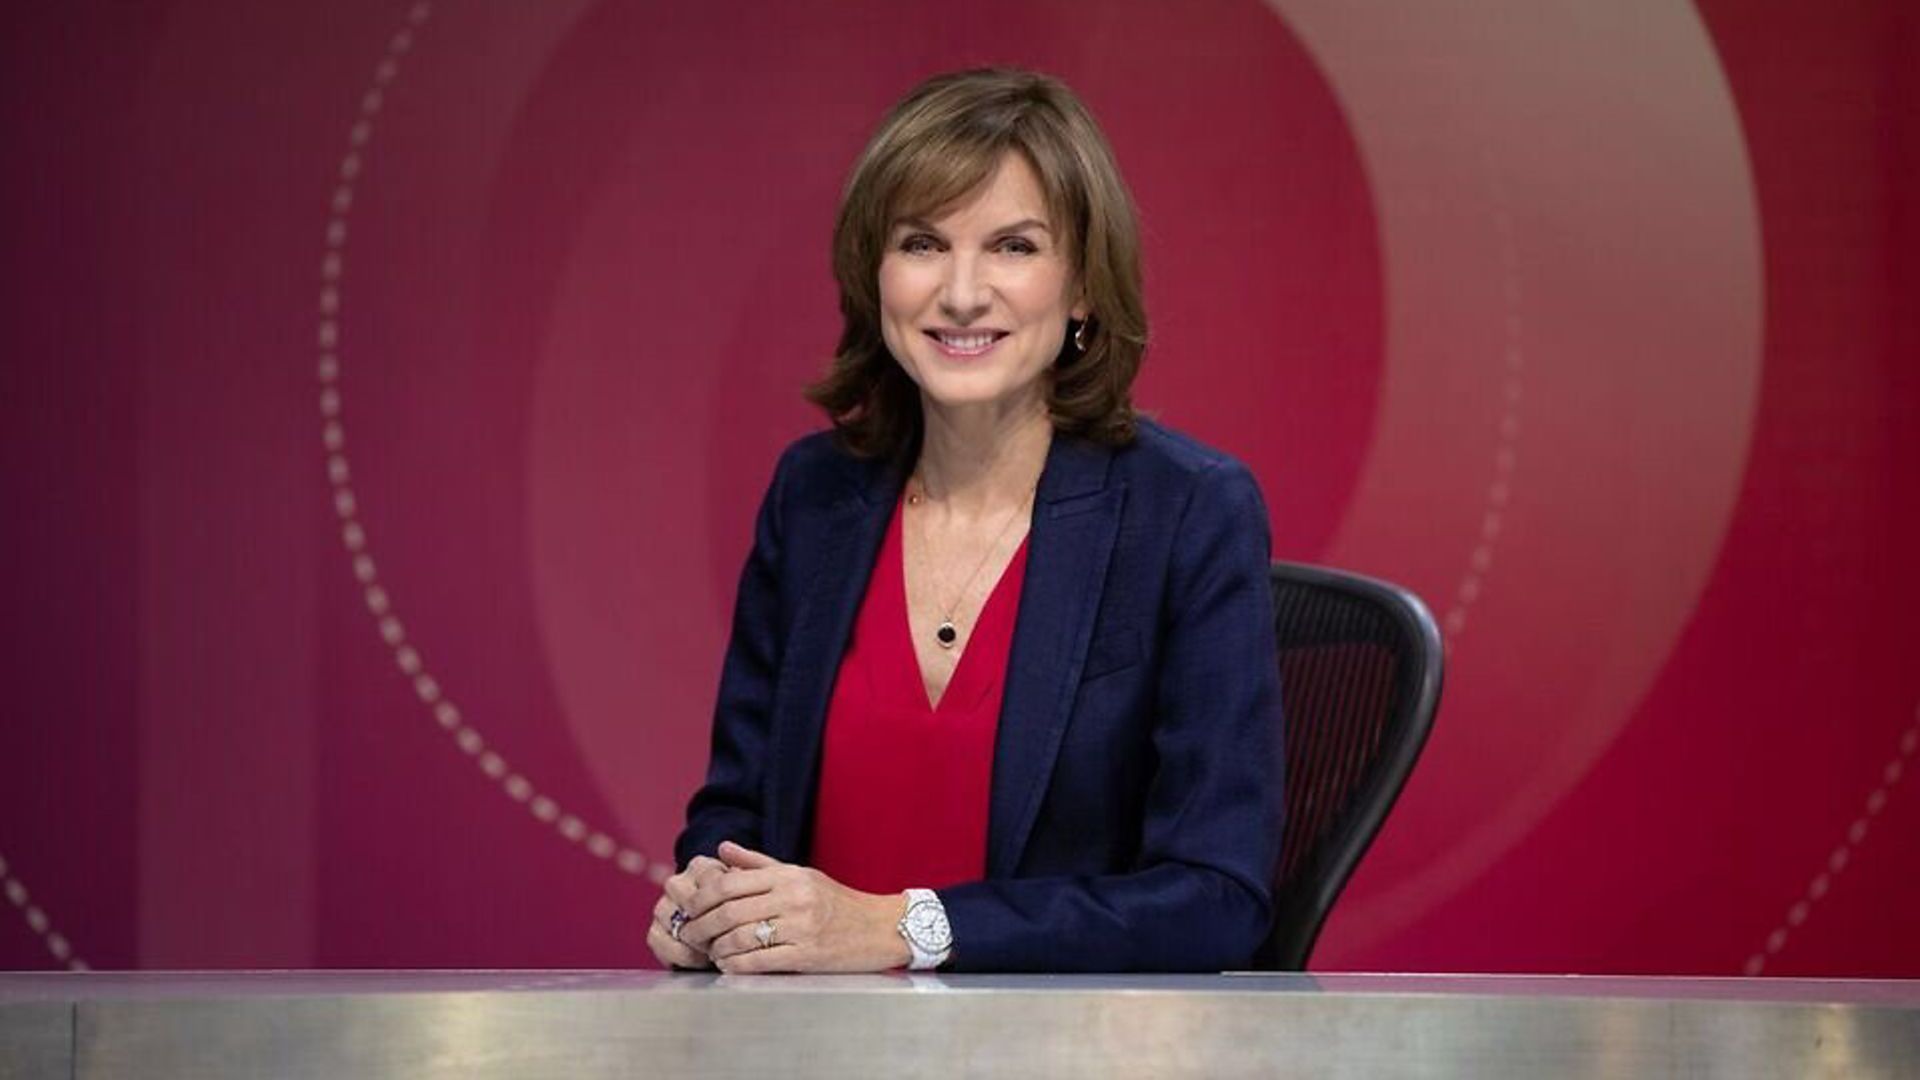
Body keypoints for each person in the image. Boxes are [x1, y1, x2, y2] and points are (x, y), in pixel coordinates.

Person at [646, 68, 1282, 974]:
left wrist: (902, 931)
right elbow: (735, 811)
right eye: (922, 243)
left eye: (1014, 248)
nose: (961, 293)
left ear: (1084, 288)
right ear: (877, 276)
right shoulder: (815, 496)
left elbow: (1216, 899)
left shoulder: (1186, 512)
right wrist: (712, 899)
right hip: (805, 1048)